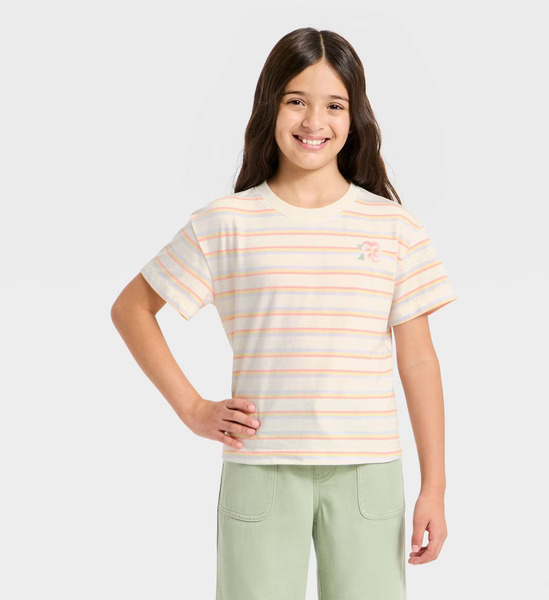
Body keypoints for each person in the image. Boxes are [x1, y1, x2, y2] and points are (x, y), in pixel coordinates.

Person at [111, 27, 458, 600]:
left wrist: (435, 487)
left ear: (355, 116)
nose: (314, 120)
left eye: (334, 105)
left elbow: (418, 360)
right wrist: (193, 409)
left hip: (368, 473)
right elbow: (132, 309)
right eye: (297, 100)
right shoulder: (225, 223)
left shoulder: (394, 227)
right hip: (261, 469)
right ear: (270, 106)